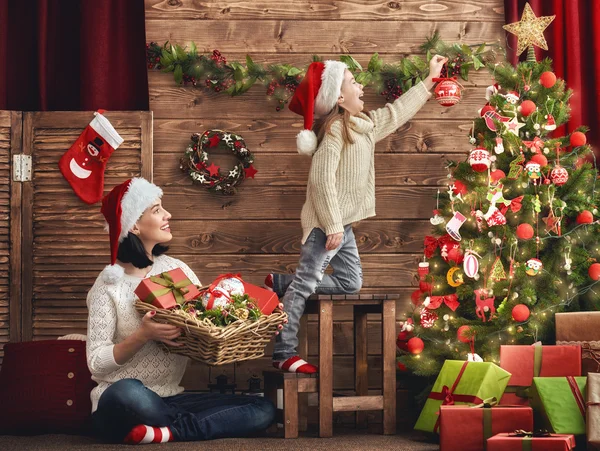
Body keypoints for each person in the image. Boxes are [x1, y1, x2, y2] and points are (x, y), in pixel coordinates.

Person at [266, 55, 448, 374]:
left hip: (343, 225)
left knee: (350, 282)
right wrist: (333, 224)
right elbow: (321, 180)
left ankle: (281, 282)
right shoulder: (336, 130)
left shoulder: (362, 126)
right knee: (305, 286)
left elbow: (396, 112)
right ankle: (283, 352)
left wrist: (430, 81)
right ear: (338, 96)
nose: (360, 85)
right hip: (327, 225)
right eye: (353, 82)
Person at [86, 177, 275, 444]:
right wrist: (143, 335)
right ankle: (183, 427)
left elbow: (208, 326)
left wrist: (260, 324)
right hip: (125, 403)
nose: (168, 215)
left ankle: (166, 432)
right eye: (157, 210)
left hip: (172, 398)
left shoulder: (176, 269)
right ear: (135, 226)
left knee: (263, 409)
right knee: (126, 392)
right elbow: (95, 363)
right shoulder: (108, 285)